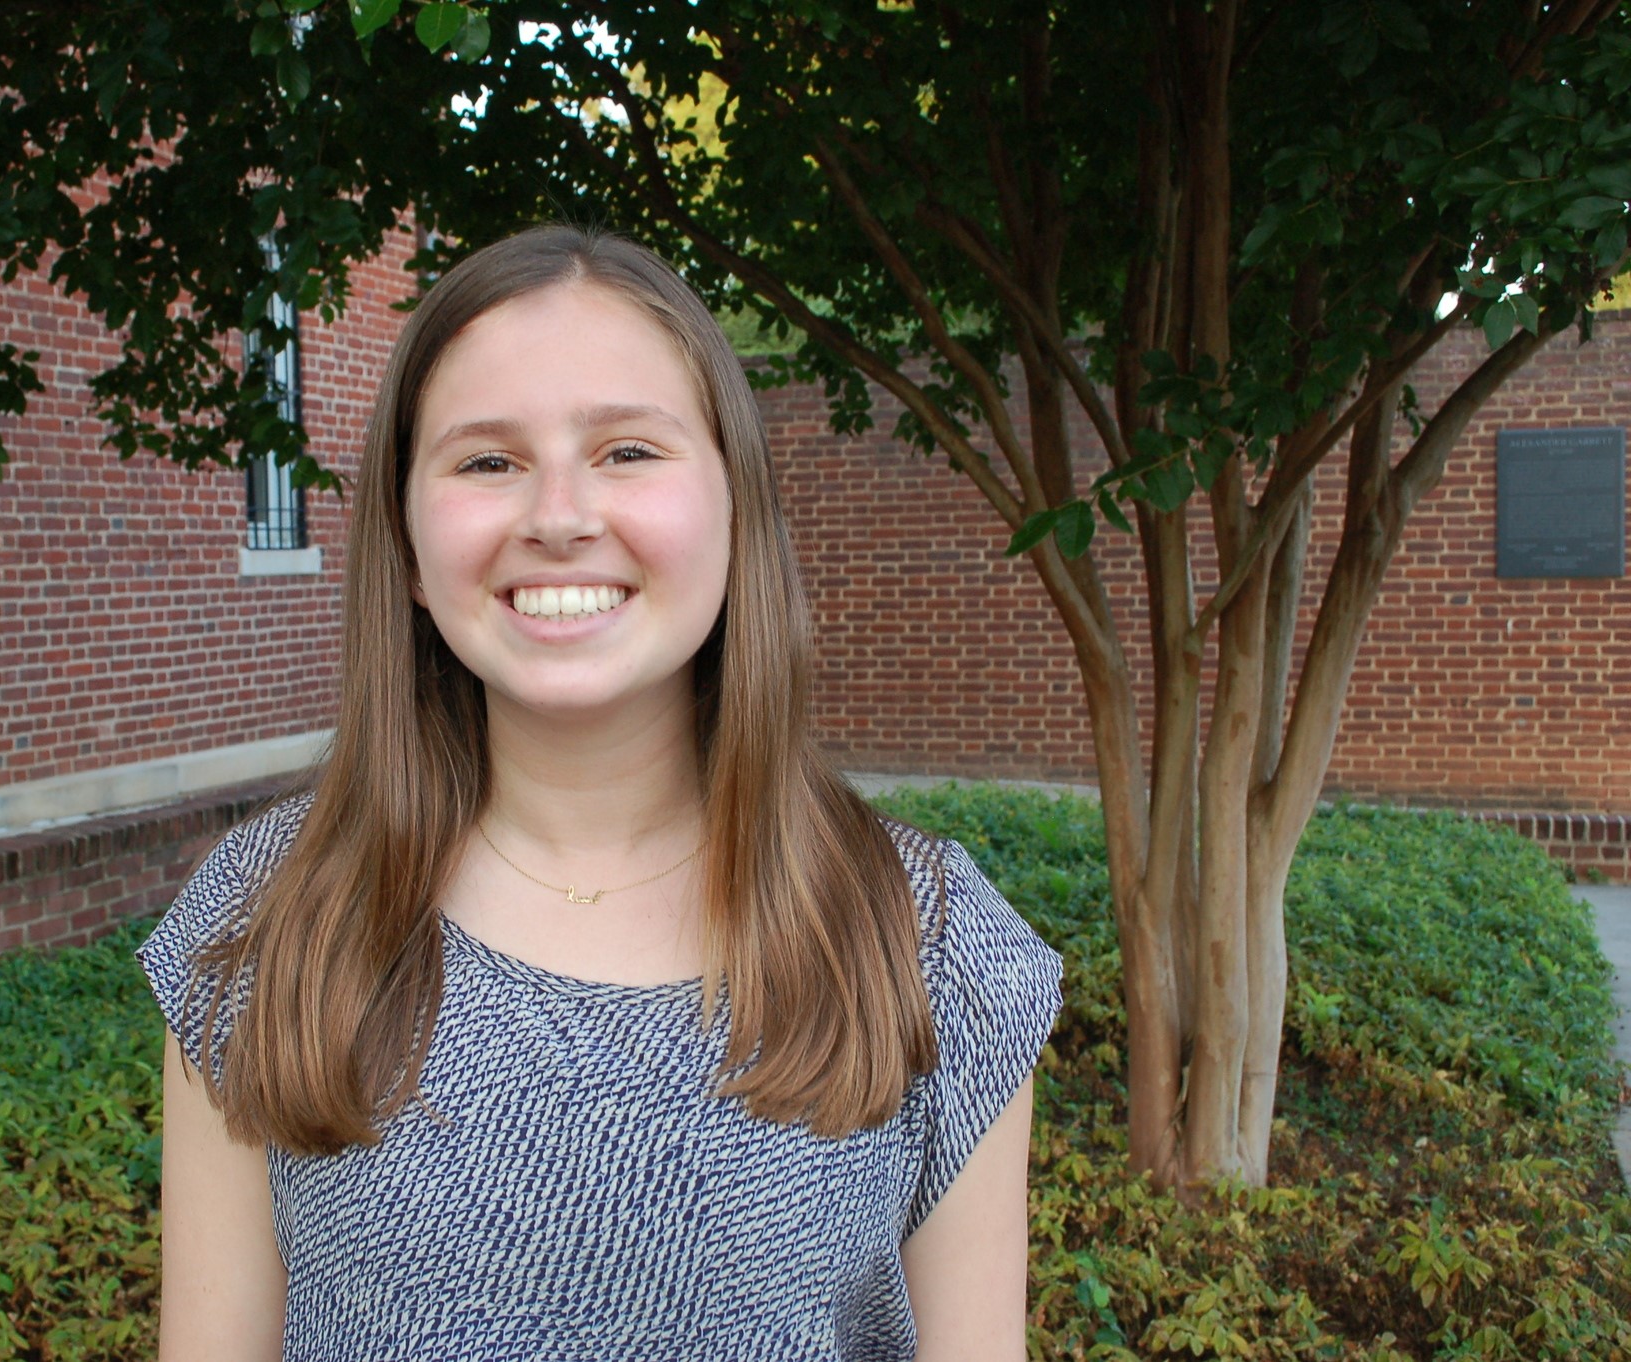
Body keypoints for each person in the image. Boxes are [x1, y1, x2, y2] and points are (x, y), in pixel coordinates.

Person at [136, 224, 1064, 1361]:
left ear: (736, 506)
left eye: (627, 450)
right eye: (487, 461)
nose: (560, 515)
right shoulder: (267, 915)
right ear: (407, 543)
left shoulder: (925, 938)